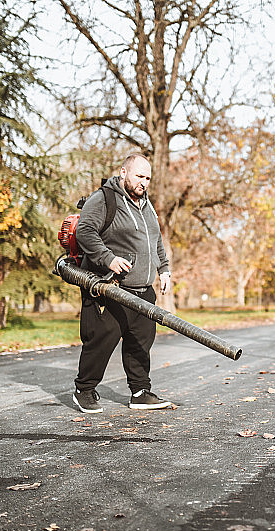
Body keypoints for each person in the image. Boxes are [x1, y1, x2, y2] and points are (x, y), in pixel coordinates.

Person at [72, 153, 172, 413]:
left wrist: (164, 270)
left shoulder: (147, 205)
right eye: (140, 176)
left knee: (141, 342)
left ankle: (140, 391)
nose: (144, 182)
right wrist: (108, 259)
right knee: (101, 342)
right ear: (123, 173)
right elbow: (85, 231)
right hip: (112, 288)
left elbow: (156, 241)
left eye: (148, 178)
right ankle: (84, 390)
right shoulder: (104, 199)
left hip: (143, 291)